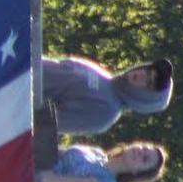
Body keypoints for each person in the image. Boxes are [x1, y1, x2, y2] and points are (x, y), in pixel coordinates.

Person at [40, 55, 173, 134]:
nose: (142, 75)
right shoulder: (102, 74)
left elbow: (46, 123)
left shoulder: (106, 112)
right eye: (148, 71)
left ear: (143, 99)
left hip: (21, 97)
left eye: (148, 83)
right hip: (23, 65)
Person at [40, 141, 167, 182]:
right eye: (144, 148)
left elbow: (53, 181)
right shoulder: (97, 153)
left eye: (145, 159)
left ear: (137, 172)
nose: (140, 152)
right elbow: (59, 152)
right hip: (34, 159)